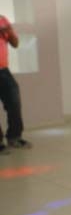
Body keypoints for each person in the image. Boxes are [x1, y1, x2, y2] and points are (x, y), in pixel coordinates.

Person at [0, 14, 31, 154]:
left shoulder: (2, 20)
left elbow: (15, 44)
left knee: (14, 103)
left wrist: (7, 31)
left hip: (3, 71)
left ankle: (14, 137)